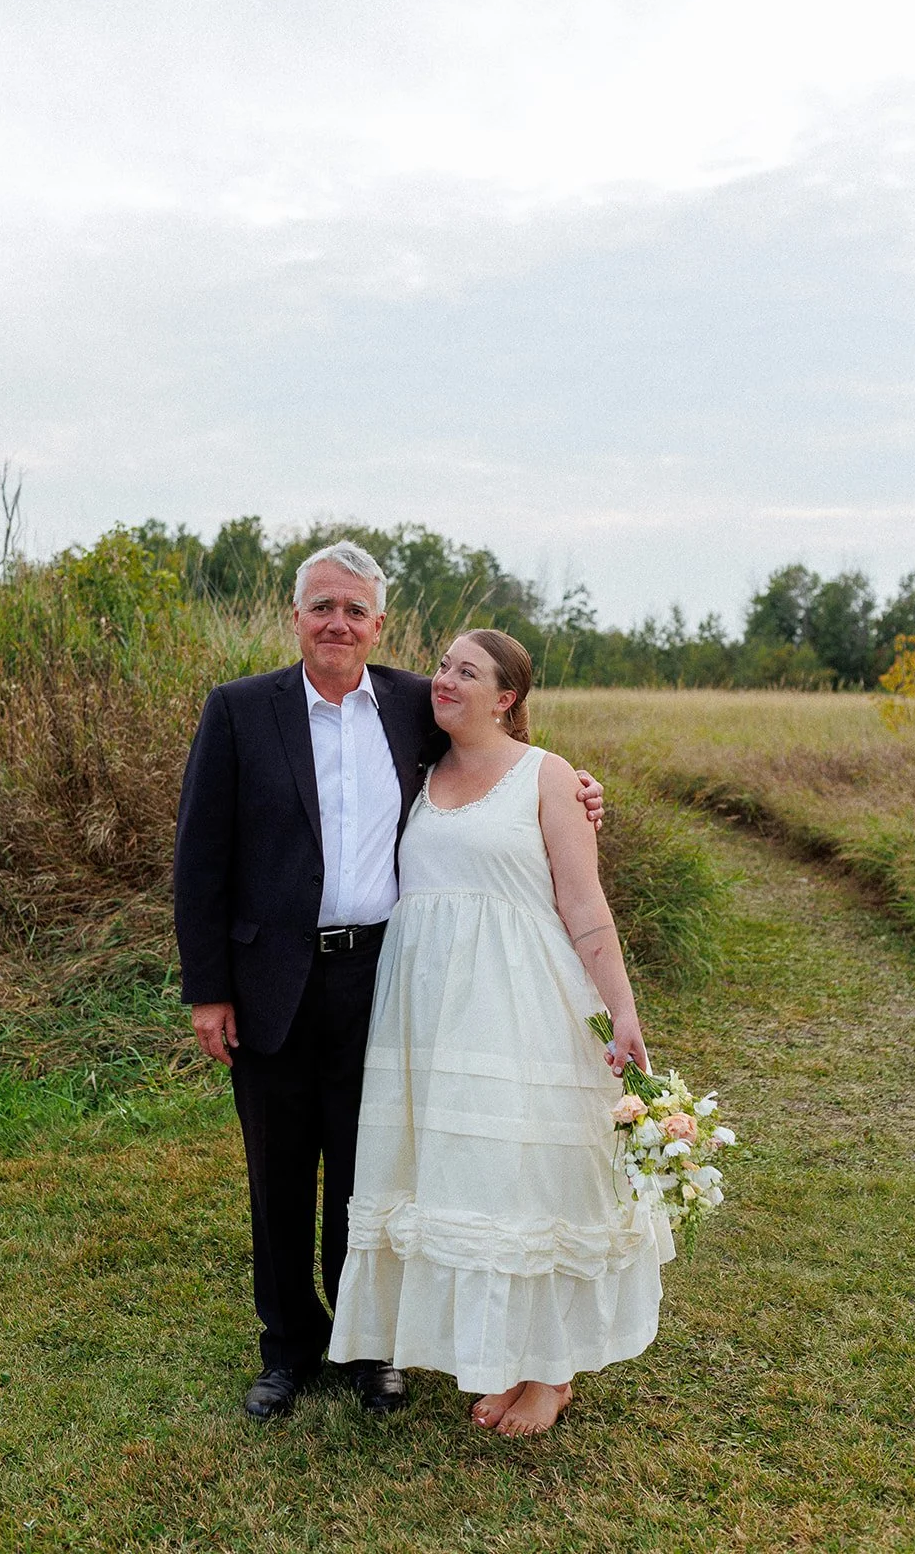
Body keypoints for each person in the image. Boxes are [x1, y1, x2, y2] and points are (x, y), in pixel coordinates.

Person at [173, 544, 606, 1420]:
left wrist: (580, 789)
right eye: (321, 606)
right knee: (280, 1172)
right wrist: (207, 989)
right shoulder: (239, 711)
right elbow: (199, 860)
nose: (338, 623)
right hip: (271, 980)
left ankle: (374, 1347)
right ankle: (287, 1347)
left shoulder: (416, 701)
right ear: (294, 616)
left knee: (377, 1166)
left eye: (355, 611)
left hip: (389, 978)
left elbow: (507, 758)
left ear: (379, 625)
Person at [328, 628, 674, 1437]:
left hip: (522, 998)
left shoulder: (548, 776)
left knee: (528, 1178)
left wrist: (620, 1009)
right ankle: (506, 1355)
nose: (443, 680)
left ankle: (547, 1376)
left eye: (465, 672)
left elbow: (584, 907)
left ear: (507, 697)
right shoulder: (419, 767)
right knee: (464, 1178)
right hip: (427, 1011)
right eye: (442, 665)